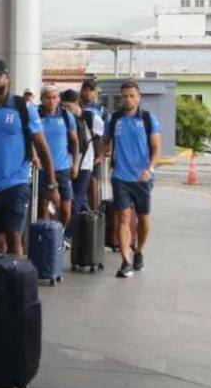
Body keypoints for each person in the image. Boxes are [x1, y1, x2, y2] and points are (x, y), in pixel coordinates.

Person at [0, 59, 57, 255]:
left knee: (14, 236)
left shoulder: (22, 107)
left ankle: (17, 273)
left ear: (7, 78)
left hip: (16, 183)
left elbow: (42, 147)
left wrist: (52, 184)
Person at [100, 80, 161, 278]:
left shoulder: (148, 119)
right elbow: (106, 142)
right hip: (120, 176)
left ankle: (139, 251)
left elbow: (156, 149)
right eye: (125, 96)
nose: (128, 99)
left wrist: (150, 169)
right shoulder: (115, 119)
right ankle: (125, 261)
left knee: (143, 218)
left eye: (132, 96)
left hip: (143, 177)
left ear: (138, 97)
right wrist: (101, 154)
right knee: (123, 218)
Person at [38, 85, 79, 226]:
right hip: (44, 170)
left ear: (59, 99)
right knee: (47, 208)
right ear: (42, 99)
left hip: (63, 169)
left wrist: (75, 164)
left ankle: (61, 233)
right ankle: (48, 235)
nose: (51, 101)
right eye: (48, 98)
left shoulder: (66, 116)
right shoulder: (37, 116)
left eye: (54, 98)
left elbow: (75, 141)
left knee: (66, 209)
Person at [62, 89, 104, 215]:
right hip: (67, 163)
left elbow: (100, 138)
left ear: (77, 103)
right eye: (63, 106)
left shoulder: (91, 118)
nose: (67, 110)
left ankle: (72, 227)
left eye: (69, 106)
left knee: (76, 199)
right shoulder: (63, 117)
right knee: (76, 200)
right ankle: (85, 224)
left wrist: (99, 156)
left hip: (85, 163)